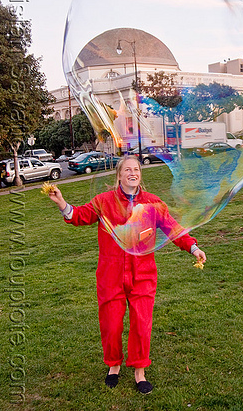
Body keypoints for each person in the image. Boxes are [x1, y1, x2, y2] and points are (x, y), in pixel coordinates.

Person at [48, 155, 206, 394]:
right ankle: (113, 365)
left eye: (137, 169)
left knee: (141, 325)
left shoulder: (153, 203)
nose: (133, 173)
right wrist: (62, 203)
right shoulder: (104, 201)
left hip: (143, 274)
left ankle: (139, 371)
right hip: (110, 275)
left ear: (140, 175)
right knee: (111, 325)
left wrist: (193, 247)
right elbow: (79, 216)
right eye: (128, 170)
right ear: (119, 175)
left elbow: (173, 228)